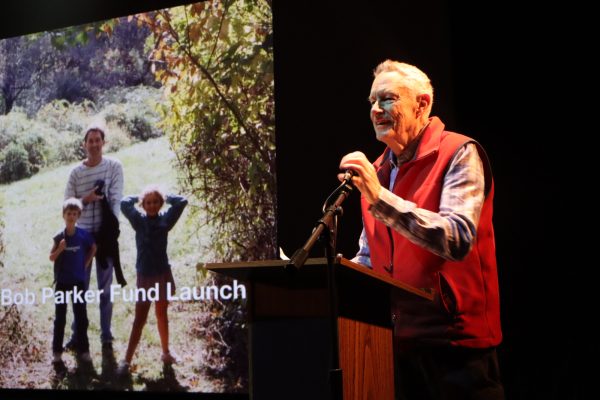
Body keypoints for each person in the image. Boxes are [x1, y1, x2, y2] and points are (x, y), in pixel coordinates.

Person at [338, 60, 504, 400]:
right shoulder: (377, 172)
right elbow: (371, 257)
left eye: (387, 99)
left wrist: (379, 198)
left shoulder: (459, 153)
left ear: (422, 104)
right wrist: (335, 273)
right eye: (372, 101)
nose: (376, 110)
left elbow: (456, 238)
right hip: (394, 345)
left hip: (456, 349)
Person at [64, 121, 124, 349]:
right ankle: (77, 334)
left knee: (105, 288)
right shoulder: (75, 173)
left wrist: (111, 231)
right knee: (79, 288)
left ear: (104, 143)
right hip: (81, 238)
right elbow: (67, 205)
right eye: (90, 141)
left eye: (98, 140)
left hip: (105, 237)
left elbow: (116, 199)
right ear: (84, 145)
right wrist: (86, 199)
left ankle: (106, 335)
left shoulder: (114, 167)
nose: (94, 144)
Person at [117, 185, 188, 374]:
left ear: (161, 203)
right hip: (145, 275)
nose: (152, 205)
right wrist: (140, 195)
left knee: (161, 314)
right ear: (143, 204)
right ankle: (126, 361)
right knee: (139, 319)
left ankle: (166, 353)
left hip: (162, 273)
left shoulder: (165, 220)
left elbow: (182, 201)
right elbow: (124, 203)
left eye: (156, 202)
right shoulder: (138, 221)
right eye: (148, 202)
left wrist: (164, 195)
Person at [49, 198, 97, 364]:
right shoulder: (59, 236)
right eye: (68, 213)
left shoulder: (83, 235)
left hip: (78, 281)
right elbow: (51, 257)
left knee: (81, 317)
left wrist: (86, 263)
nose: (71, 217)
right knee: (60, 317)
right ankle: (57, 352)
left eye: (74, 214)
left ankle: (84, 351)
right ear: (63, 215)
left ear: (78, 216)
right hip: (62, 282)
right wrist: (60, 249)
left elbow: (93, 247)